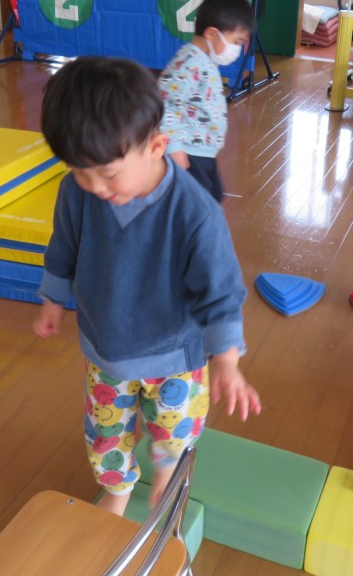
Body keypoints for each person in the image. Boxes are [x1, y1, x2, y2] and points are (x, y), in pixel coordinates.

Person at [34, 56, 261, 516]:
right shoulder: (77, 191)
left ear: (157, 147)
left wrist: (227, 360)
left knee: (173, 433)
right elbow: (64, 246)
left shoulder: (195, 213)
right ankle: (117, 491)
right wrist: (52, 298)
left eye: (108, 173)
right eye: (79, 170)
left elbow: (221, 291)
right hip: (106, 350)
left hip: (174, 358)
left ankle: (165, 475)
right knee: (105, 437)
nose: (94, 186)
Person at [158, 0, 253, 203]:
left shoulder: (205, 60)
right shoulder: (189, 64)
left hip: (204, 152)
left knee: (213, 197)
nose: (237, 50)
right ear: (211, 34)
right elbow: (164, 105)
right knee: (198, 205)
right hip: (188, 153)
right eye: (236, 42)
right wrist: (174, 149)